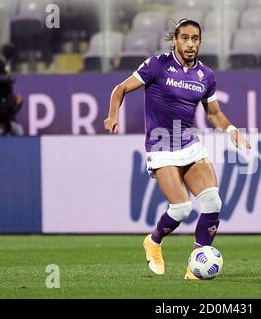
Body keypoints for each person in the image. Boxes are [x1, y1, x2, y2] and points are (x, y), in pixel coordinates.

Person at [104, 19, 251, 280]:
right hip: (161, 146)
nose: (190, 43)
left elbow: (214, 114)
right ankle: (153, 240)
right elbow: (121, 88)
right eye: (185, 38)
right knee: (182, 209)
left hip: (190, 144)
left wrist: (232, 131)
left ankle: (195, 266)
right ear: (175, 39)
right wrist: (113, 114)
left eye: (195, 39)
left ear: (200, 42)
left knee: (212, 202)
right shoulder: (157, 65)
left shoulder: (206, 76)